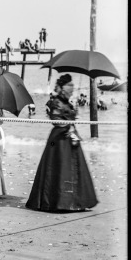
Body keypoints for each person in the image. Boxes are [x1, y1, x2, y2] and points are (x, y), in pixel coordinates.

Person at [26, 74, 97, 212]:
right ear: (62, 88)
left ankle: (75, 201)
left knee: (73, 168)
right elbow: (55, 119)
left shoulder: (68, 102)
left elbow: (68, 116)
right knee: (59, 167)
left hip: (70, 137)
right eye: (69, 87)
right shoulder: (56, 101)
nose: (72, 90)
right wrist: (68, 126)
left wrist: (73, 114)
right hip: (59, 140)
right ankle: (59, 202)